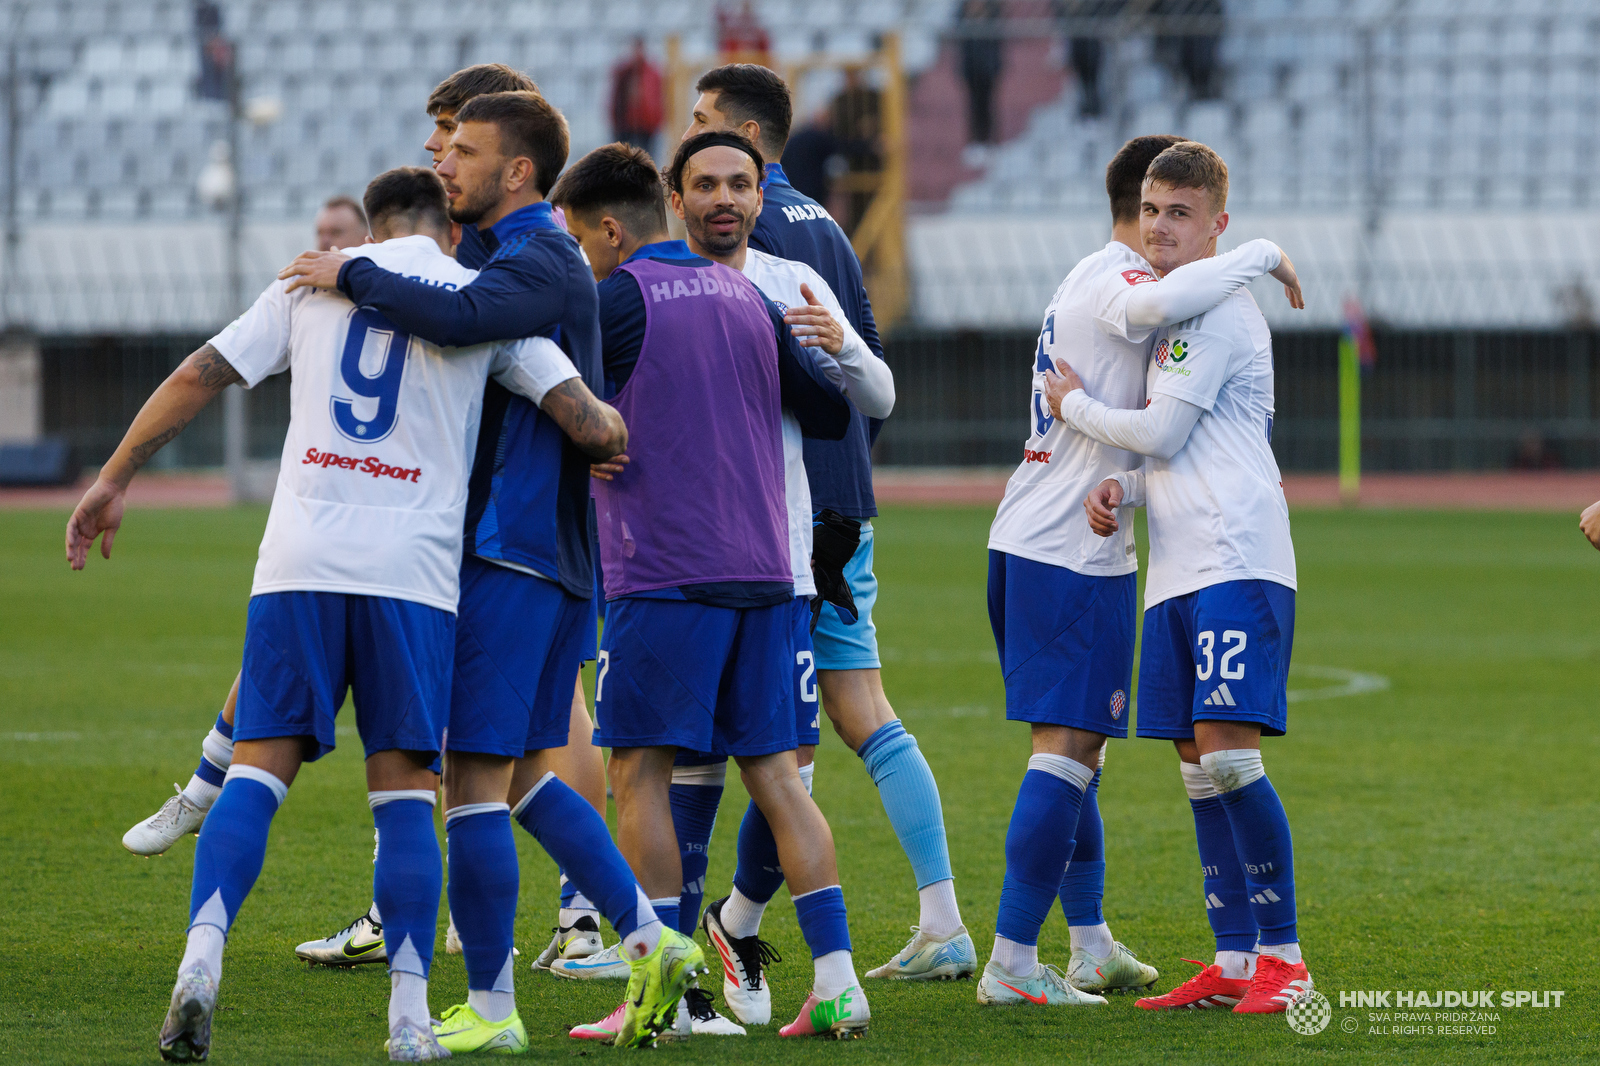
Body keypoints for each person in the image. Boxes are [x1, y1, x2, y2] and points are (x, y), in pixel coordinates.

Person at [65, 165, 605, 1062]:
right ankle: (405, 1016)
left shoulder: (309, 285)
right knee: (403, 797)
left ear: (370, 223)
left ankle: (201, 961)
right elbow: (590, 422)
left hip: (299, 563)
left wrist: (115, 476)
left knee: (256, 775)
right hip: (416, 577)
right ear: (449, 224)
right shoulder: (482, 298)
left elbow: (201, 372)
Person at [557, 137, 894, 1030]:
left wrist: (595, 441)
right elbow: (830, 413)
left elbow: (569, 412)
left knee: (640, 773)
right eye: (706, 184)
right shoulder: (753, 296)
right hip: (770, 574)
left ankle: (653, 995)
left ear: (613, 231)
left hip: (666, 574)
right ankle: (837, 984)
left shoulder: (618, 297)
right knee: (779, 778)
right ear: (671, 200)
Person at [979, 133, 1301, 1008]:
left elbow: (1168, 437)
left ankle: (1222, 955)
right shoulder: (1140, 292)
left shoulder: (1189, 306)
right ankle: (1018, 960)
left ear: (1213, 225)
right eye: (1153, 211)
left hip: (1154, 549)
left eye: (1181, 214)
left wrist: (1116, 475)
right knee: (1082, 749)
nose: (1163, 228)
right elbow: (1164, 428)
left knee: (1147, 754)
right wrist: (1261, 257)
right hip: (1082, 554)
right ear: (1133, 209)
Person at [684, 63, 978, 984]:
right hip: (844, 497)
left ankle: (741, 934)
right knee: (861, 710)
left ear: (744, 136)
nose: (693, 148)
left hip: (780, 512)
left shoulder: (746, 228)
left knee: (784, 736)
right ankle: (938, 919)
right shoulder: (828, 226)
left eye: (703, 126)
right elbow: (870, 366)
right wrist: (845, 457)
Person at [958, 0, 1005, 162]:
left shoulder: (993, 14)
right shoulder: (962, 16)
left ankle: (990, 141)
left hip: (987, 68)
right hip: (971, 69)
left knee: (988, 105)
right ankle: (976, 141)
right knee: (973, 105)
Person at [609, 38, 664, 155]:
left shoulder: (652, 73)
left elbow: (657, 99)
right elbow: (616, 99)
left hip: (646, 127)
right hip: (625, 127)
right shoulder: (624, 72)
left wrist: (655, 121)